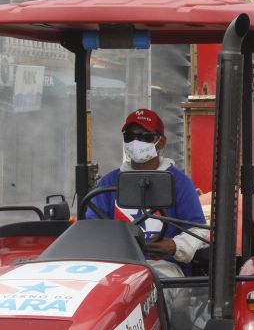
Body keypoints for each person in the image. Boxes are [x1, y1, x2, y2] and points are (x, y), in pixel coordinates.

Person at [86, 108, 208, 278]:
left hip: (164, 268)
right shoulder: (109, 182)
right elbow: (91, 228)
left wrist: (173, 245)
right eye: (129, 136)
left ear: (161, 142)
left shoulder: (180, 183)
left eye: (145, 137)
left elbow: (199, 231)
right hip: (116, 267)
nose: (136, 142)